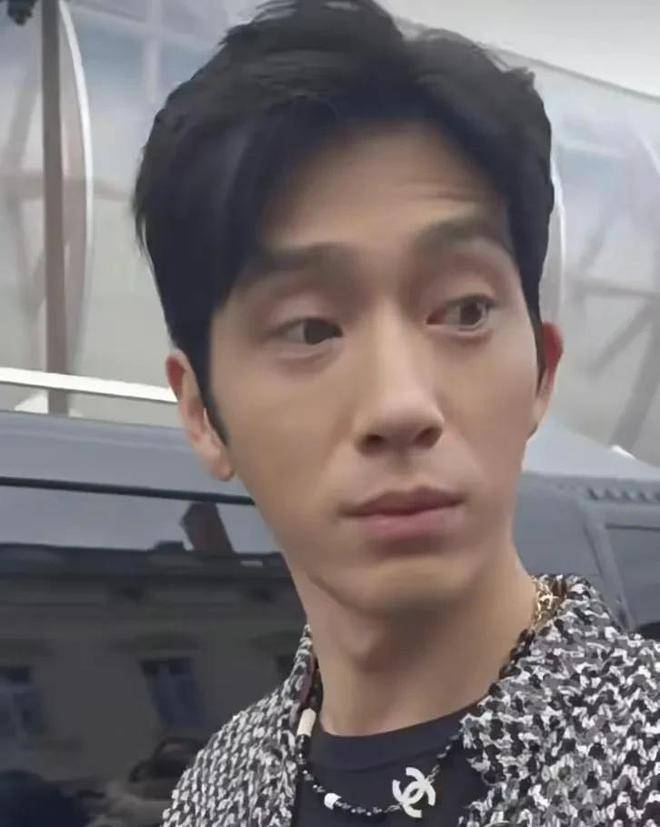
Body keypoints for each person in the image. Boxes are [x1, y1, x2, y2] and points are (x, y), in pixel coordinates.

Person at [132, 1, 660, 824]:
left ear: (542, 370)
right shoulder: (213, 796)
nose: (401, 403)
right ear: (202, 411)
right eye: (311, 328)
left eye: (464, 310)